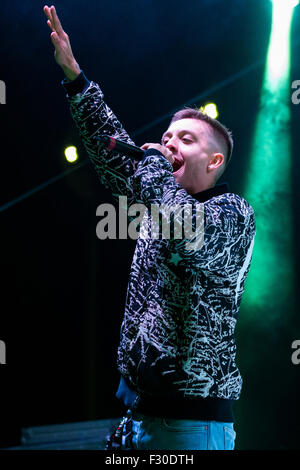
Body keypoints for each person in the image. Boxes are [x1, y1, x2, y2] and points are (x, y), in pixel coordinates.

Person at [44, 5, 256, 450]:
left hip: (190, 428)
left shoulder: (233, 214)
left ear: (214, 162)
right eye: (167, 136)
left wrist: (156, 166)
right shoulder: (161, 199)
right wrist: (76, 78)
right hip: (141, 418)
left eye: (186, 139)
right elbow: (112, 158)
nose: (168, 143)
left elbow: (184, 226)